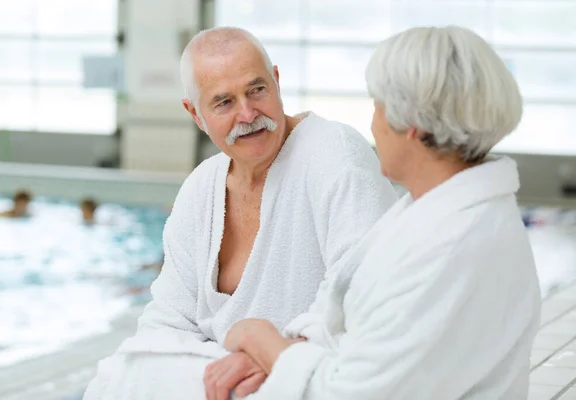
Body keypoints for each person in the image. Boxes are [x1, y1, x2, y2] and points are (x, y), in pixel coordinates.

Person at [222, 26, 542, 400]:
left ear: (413, 125)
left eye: (377, 106)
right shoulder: (432, 211)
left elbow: (349, 393)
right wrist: (285, 348)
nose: (373, 125)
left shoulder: (451, 247)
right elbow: (341, 313)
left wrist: (259, 339)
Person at [83, 27, 397, 400]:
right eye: (223, 102)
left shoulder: (335, 156)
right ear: (195, 113)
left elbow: (363, 298)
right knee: (116, 375)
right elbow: (167, 320)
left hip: (313, 376)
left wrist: (273, 354)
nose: (247, 114)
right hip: (225, 381)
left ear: (276, 82)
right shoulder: (202, 189)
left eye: (256, 90)